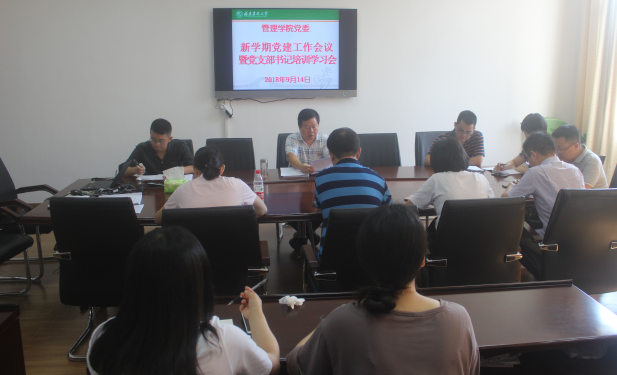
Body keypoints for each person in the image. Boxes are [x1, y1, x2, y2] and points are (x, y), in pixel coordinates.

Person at [286, 204, 479, 375]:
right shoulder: (458, 319)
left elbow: (296, 365)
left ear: (364, 261)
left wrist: (323, 326)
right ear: (422, 260)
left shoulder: (341, 322)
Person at [87, 226, 280, 375]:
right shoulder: (224, 342)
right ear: (199, 284)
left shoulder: (102, 338)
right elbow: (271, 366)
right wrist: (256, 315)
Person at [502, 132, 584, 278]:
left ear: (533, 155)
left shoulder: (536, 172)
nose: (529, 163)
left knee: (511, 226)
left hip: (553, 243)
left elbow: (507, 201)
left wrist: (510, 186)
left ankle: (544, 272)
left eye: (527, 159)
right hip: (580, 242)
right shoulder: (575, 170)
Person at [311, 127, 392, 256]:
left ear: (331, 154)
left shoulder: (321, 179)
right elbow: (389, 210)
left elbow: (318, 204)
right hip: (372, 260)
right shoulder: (378, 179)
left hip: (332, 261)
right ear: (359, 152)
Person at [154, 146, 267, 224]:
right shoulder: (237, 185)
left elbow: (158, 219)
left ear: (195, 170)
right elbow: (262, 210)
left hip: (195, 251)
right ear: (222, 168)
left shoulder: (182, 190)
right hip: (233, 249)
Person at [406, 137, 494, 230]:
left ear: (435, 160)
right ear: (463, 156)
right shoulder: (481, 178)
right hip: (482, 235)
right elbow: (494, 205)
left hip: (447, 237)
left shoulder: (437, 179)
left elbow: (408, 208)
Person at [124, 118, 194, 176]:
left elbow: (194, 167)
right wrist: (135, 170)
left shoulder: (180, 146)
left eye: (161, 141)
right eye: (153, 140)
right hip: (151, 186)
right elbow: (122, 170)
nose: (157, 144)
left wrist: (176, 171)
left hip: (175, 185)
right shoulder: (142, 148)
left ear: (169, 139)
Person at [551, 124, 608, 189]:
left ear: (576, 146)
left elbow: (582, 191)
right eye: (555, 149)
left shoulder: (592, 161)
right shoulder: (564, 158)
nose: (557, 153)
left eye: (561, 149)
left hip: (589, 195)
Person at [285, 108, 330, 173]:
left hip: (318, 176)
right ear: (299, 127)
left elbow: (329, 158)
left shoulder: (325, 139)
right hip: (296, 176)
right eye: (307, 127)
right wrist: (300, 166)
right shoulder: (292, 138)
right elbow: (290, 156)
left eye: (314, 127)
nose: (311, 130)